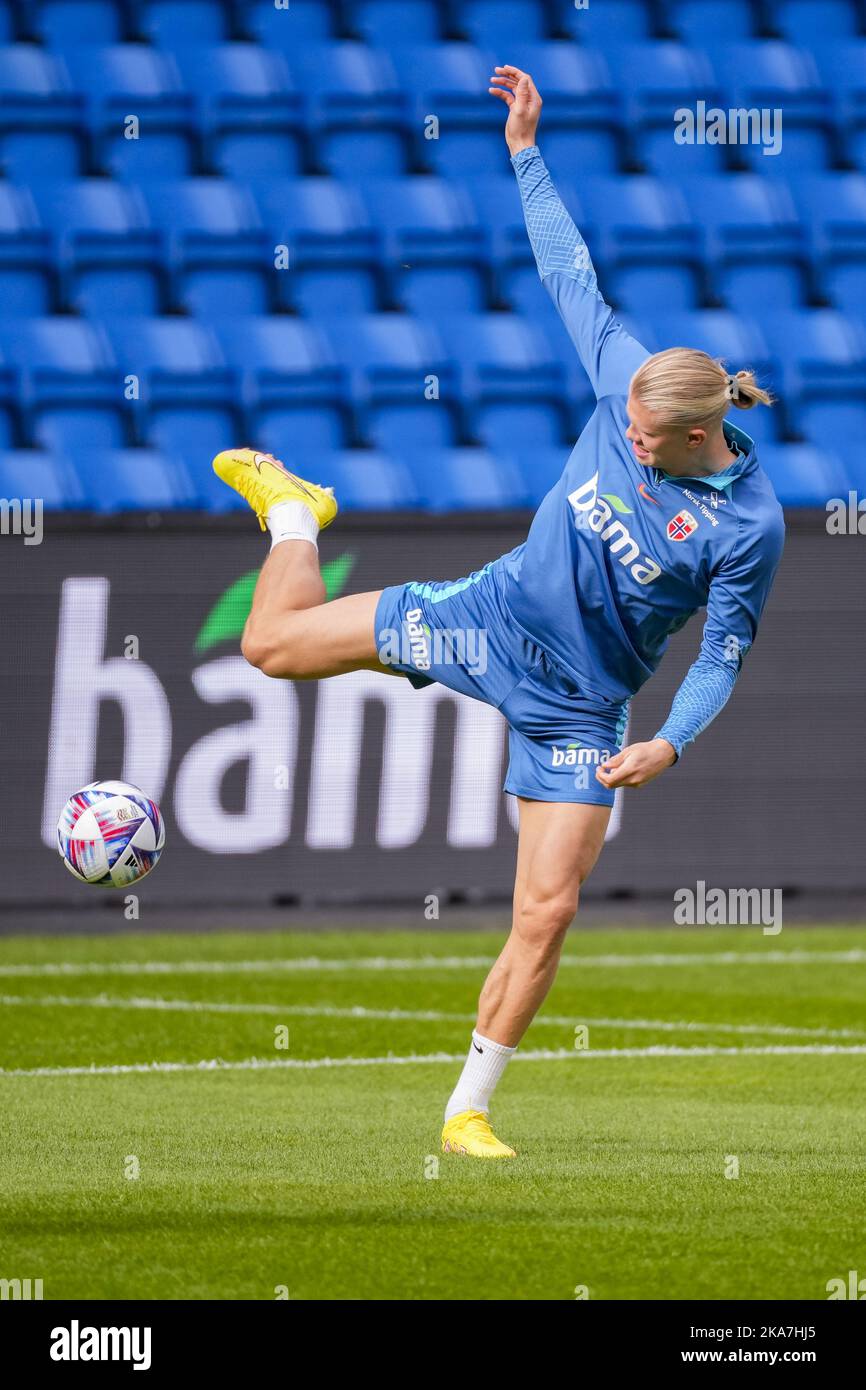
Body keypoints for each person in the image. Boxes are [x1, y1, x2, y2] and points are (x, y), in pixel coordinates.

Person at [212, 66, 785, 1159]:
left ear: (688, 438)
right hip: (482, 618)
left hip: (578, 710)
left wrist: (668, 740)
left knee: (547, 911)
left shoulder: (745, 527)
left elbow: (724, 648)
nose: (620, 426)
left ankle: (466, 1108)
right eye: (619, 412)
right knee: (268, 645)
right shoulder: (632, 378)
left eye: (637, 431)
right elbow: (567, 272)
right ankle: (295, 513)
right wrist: (524, 150)